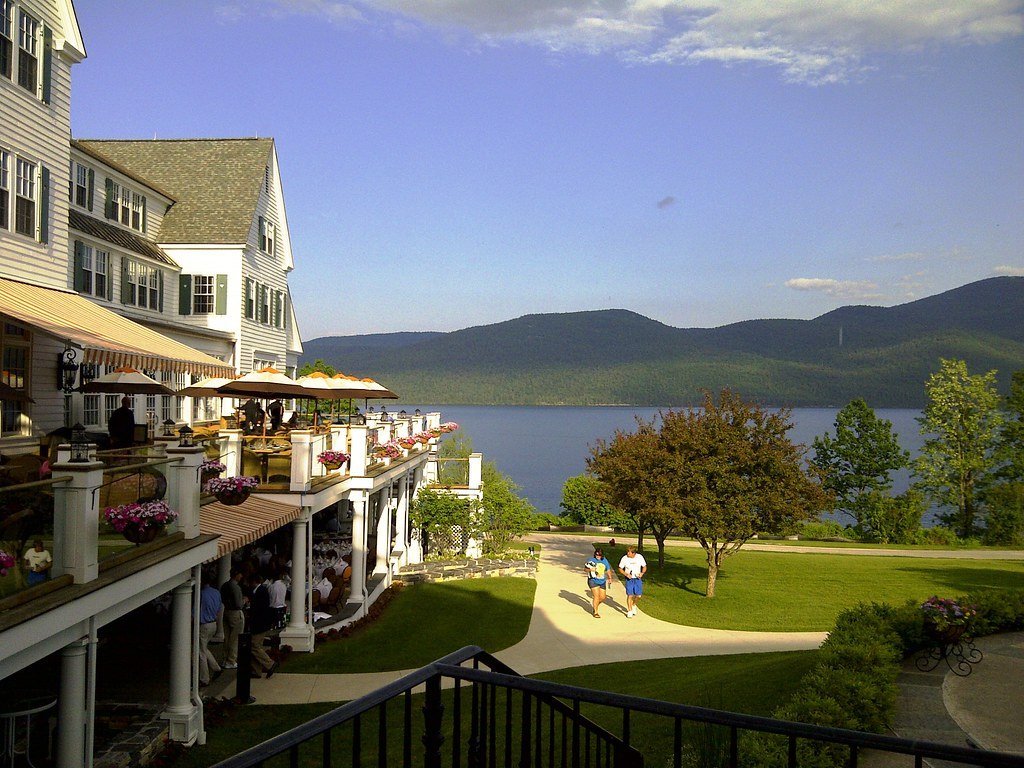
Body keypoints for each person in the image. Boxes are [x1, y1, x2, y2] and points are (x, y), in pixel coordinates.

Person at [247, 572, 279, 678]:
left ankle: (270, 664)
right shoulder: (259, 591)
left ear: (253, 582)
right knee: (256, 646)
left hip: (260, 624)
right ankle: (256, 671)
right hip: (260, 623)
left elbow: (260, 610)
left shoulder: (261, 592)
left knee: (254, 646)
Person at [199, 577, 223, 685]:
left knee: (201, 652)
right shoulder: (216, 592)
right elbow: (219, 608)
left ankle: (204, 679)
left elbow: (195, 611)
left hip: (204, 624)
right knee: (203, 648)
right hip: (213, 623)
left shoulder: (201, 594)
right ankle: (216, 668)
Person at [220, 568, 245, 669]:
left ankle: (225, 658)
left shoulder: (224, 585)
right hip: (235, 612)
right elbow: (239, 604)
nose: (241, 576)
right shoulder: (235, 587)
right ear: (236, 575)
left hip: (226, 611)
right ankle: (231, 660)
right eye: (240, 574)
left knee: (227, 637)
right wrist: (244, 600)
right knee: (235, 638)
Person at [617, 544, 648, 618]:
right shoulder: (624, 558)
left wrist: (642, 573)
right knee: (630, 595)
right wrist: (626, 574)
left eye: (629, 552)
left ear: (634, 553)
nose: (628, 553)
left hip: (637, 578)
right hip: (629, 579)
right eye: (627, 552)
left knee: (638, 596)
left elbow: (644, 567)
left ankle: (633, 605)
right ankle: (630, 610)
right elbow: (620, 568)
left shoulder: (639, 557)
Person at [583, 547, 614, 618]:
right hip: (593, 580)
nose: (597, 556)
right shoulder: (591, 560)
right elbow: (585, 569)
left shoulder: (605, 561)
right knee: (596, 596)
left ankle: (595, 606)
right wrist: (590, 569)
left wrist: (610, 578)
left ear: (602, 555)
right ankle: (596, 612)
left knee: (603, 597)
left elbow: (608, 570)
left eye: (599, 555)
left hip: (602, 580)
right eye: (596, 555)